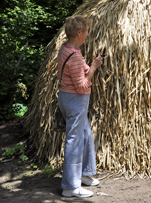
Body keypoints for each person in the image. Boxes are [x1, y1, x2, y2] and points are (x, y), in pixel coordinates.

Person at [57, 15, 103, 198]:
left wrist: (91, 65)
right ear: (78, 33)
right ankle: (70, 186)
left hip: (68, 97)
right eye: (85, 32)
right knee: (74, 141)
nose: (87, 36)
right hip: (74, 100)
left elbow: (78, 69)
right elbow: (82, 85)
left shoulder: (67, 49)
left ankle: (84, 174)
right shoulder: (74, 55)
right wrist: (92, 70)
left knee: (85, 134)